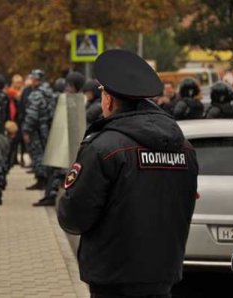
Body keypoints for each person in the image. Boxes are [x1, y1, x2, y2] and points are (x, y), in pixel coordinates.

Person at [57, 49, 198, 298]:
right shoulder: (184, 147)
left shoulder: (103, 148)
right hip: (163, 273)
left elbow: (74, 216)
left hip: (113, 277)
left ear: (109, 100)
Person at [33, 71, 85, 207]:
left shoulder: (81, 102)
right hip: (60, 143)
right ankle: (50, 195)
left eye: (71, 86)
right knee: (54, 172)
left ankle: (54, 196)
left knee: (62, 174)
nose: (68, 89)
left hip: (70, 147)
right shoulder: (63, 99)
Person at [22, 69, 51, 190]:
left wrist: (26, 130)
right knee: (44, 154)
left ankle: (41, 180)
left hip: (36, 130)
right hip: (45, 129)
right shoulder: (48, 92)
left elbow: (32, 114)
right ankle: (44, 180)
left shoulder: (36, 94)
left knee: (37, 154)